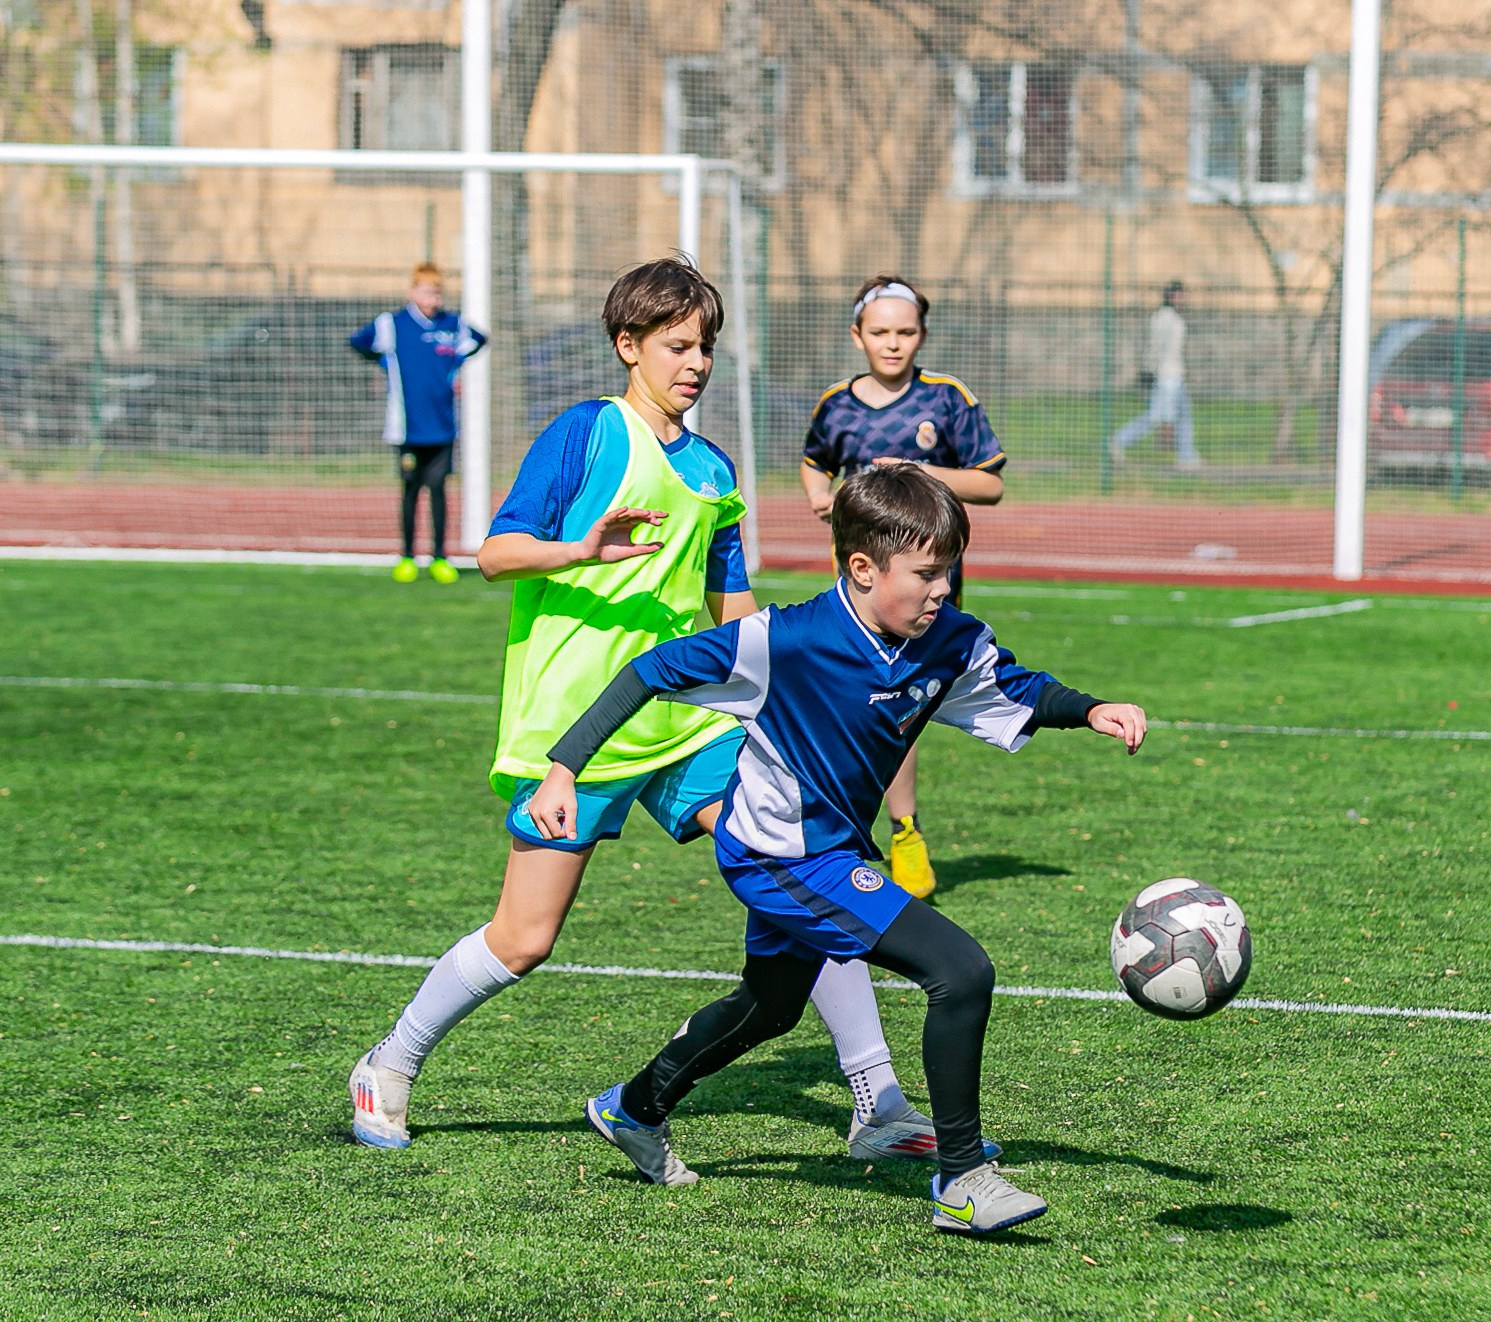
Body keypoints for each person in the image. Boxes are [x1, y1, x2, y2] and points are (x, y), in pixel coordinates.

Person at [350, 257, 945, 1166]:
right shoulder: (587, 434)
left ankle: (877, 1101)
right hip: (573, 728)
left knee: (805, 867)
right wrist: (577, 547)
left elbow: (733, 610)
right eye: (676, 346)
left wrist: (793, 690)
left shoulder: (712, 469)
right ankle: (389, 1063)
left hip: (687, 723)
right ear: (627, 347)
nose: (694, 363)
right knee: (524, 938)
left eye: (704, 346)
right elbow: (495, 555)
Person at [540, 462, 1147, 1232]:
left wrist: (1090, 710)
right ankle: (962, 1179)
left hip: (826, 851)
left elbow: (1016, 689)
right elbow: (648, 672)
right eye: (925, 573)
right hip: (778, 857)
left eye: (949, 572)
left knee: (770, 1007)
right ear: (861, 568)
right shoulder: (783, 642)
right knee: (959, 971)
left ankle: (634, 1106)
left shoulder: (948, 641)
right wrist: (564, 768)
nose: (941, 589)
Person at [800, 276, 1007, 900]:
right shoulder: (836, 403)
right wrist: (817, 495)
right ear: (857, 335)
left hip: (924, 594)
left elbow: (990, 484)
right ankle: (854, 838)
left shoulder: (946, 400)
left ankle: (904, 831)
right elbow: (816, 459)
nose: (894, 344)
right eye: (881, 332)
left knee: (900, 710)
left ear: (922, 335)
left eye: (906, 332)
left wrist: (919, 471)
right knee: (854, 705)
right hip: (857, 592)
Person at [350, 263, 486, 584]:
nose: (433, 297)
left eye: (438, 291)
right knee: (411, 490)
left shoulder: (453, 325)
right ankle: (407, 556)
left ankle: (440, 557)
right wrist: (384, 361)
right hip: (407, 428)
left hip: (442, 426)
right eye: (427, 291)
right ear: (412, 292)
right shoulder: (392, 324)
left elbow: (479, 339)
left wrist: (455, 364)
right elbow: (358, 341)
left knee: (438, 490)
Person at [1110, 281, 1199, 467]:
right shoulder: (1164, 318)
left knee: (1184, 414)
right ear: (1172, 296)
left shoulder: (1172, 317)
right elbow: (1156, 348)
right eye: (1180, 295)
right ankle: (1118, 441)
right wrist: (1150, 371)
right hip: (1167, 376)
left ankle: (1187, 456)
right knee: (1156, 416)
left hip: (1175, 374)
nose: (1183, 298)